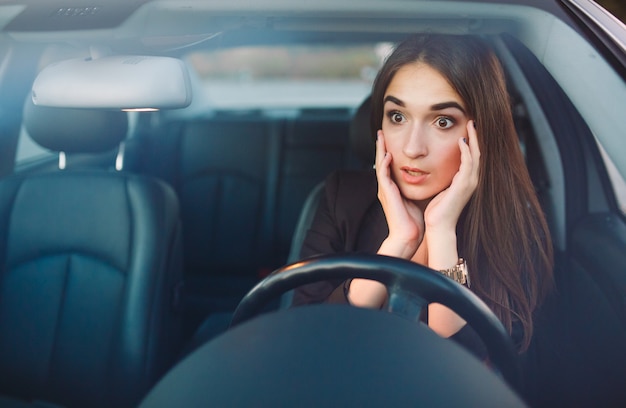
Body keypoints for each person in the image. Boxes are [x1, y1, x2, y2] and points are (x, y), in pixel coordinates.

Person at [291, 34, 554, 356]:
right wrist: (398, 243)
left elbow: (478, 370)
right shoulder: (343, 196)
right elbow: (306, 340)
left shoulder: (512, 222)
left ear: (479, 133)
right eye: (397, 117)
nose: (413, 148)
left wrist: (442, 232)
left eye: (443, 121)